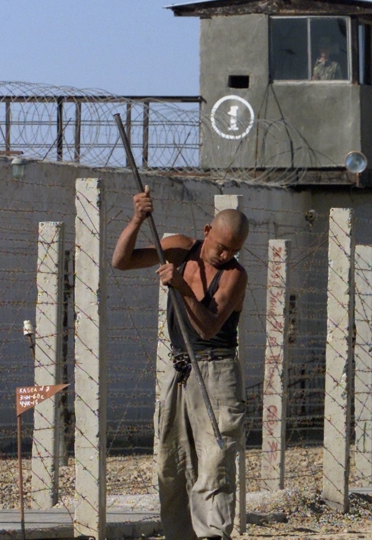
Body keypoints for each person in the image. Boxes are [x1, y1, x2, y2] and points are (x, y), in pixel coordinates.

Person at [112, 187, 250, 540]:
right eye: (222, 246)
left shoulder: (235, 276)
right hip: (180, 371)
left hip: (216, 373)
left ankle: (212, 534)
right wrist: (137, 219)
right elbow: (121, 261)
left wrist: (182, 288)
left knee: (215, 462)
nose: (225, 255)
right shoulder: (179, 248)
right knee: (172, 463)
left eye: (234, 250)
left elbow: (208, 327)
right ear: (207, 231)